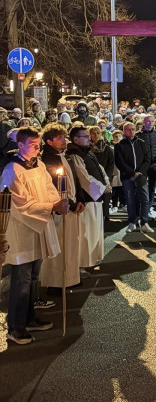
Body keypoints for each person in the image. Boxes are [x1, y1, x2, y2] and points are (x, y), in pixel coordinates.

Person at [1, 127, 69, 344]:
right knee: (21, 280)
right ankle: (15, 327)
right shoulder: (12, 170)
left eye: (38, 144)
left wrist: (57, 203)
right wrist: (51, 207)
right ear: (20, 145)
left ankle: (29, 319)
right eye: (32, 144)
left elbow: (49, 189)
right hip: (22, 230)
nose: (37, 147)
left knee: (33, 278)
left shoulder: (38, 165)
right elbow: (19, 204)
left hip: (38, 227)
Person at [40, 124, 83, 292]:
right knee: (59, 246)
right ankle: (56, 282)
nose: (64, 140)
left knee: (71, 245)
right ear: (49, 141)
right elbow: (54, 186)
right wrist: (70, 204)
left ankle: (70, 278)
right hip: (61, 208)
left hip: (72, 205)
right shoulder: (48, 160)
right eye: (59, 138)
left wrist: (80, 199)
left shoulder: (65, 156)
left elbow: (75, 179)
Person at [66, 125, 109, 269]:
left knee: (94, 232)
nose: (89, 138)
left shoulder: (86, 152)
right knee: (86, 234)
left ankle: (91, 260)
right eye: (85, 136)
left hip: (95, 198)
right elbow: (83, 177)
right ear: (75, 139)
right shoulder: (75, 154)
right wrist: (102, 188)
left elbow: (99, 168)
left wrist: (106, 182)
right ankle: (83, 264)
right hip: (88, 199)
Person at [114, 121, 152, 233]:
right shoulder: (119, 145)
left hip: (141, 176)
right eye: (128, 129)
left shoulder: (141, 142)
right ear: (124, 131)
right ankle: (132, 222)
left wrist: (140, 172)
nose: (131, 131)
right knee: (130, 200)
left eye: (132, 129)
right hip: (127, 177)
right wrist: (132, 173)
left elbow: (147, 159)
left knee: (145, 199)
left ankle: (144, 222)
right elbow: (119, 162)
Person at [140, 114, 156, 220]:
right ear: (143, 122)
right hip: (142, 166)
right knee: (141, 188)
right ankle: (142, 210)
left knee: (152, 188)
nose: (150, 123)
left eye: (151, 121)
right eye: (148, 121)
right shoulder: (139, 135)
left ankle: (147, 209)